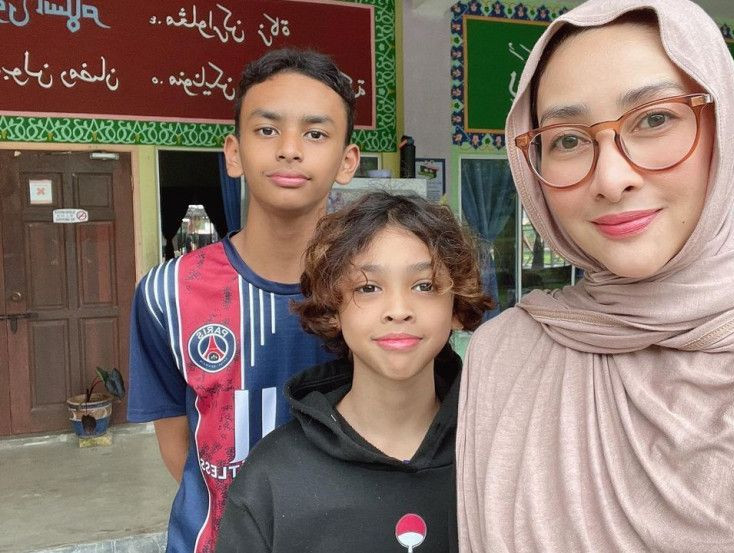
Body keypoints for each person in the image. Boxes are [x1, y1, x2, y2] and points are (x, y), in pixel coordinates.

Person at [456, 0, 734, 551]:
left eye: (654, 119)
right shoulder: (506, 356)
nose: (611, 179)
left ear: (723, 128)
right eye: (566, 139)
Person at [127, 48, 360, 553]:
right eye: (267, 130)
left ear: (347, 161)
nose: (289, 150)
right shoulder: (167, 293)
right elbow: (179, 441)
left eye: (315, 134)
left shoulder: (371, 292)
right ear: (233, 153)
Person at [215, 192, 493, 553]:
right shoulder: (272, 477)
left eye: (424, 286)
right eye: (368, 287)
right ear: (334, 309)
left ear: (456, 307)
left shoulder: (495, 457)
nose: (398, 310)